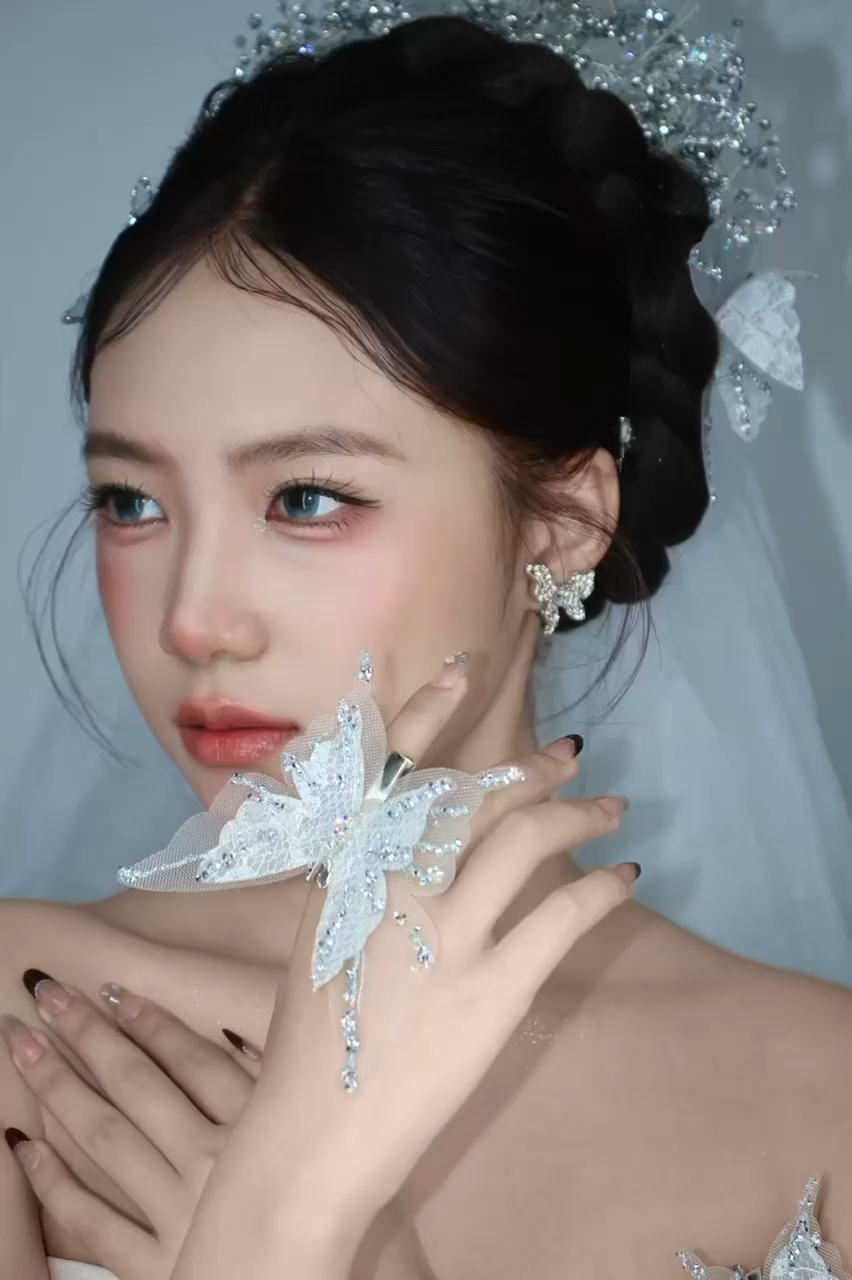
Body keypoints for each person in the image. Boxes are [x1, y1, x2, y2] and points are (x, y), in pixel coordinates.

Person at [1, 14, 852, 1279]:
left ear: (562, 520)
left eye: (305, 497)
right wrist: (284, 1211)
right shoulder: (33, 1024)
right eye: (131, 501)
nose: (191, 619)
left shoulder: (825, 1084)